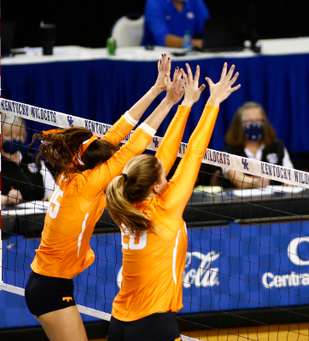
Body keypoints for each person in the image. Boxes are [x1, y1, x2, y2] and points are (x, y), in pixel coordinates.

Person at [23, 54, 187, 341]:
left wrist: (156, 88)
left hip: (44, 283)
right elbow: (133, 145)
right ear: (90, 161)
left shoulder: (71, 172)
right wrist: (169, 102)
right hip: (51, 289)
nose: (104, 145)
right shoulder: (87, 185)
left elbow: (118, 131)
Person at [104, 62, 240, 341]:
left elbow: (165, 154)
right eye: (165, 175)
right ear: (155, 187)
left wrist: (187, 103)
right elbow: (193, 153)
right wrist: (212, 103)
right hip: (152, 325)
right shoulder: (165, 209)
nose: (169, 174)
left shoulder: (125, 203)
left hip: (119, 323)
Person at [215, 101, 294, 189]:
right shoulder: (228, 151)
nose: (254, 125)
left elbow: (290, 175)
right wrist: (258, 182)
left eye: (257, 120)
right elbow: (238, 180)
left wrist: (290, 181)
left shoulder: (277, 146)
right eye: (249, 121)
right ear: (239, 125)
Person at [1, 114, 55, 206]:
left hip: (38, 215)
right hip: (10, 217)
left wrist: (51, 195)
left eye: (18, 135)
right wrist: (6, 199)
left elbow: (52, 189)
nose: (14, 139)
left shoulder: (33, 159)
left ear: (24, 136)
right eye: (8, 135)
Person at [141, 0, 209, 49]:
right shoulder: (154, 3)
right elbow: (163, 39)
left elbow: (207, 29)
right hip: (156, 58)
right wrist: (193, 43)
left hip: (187, 55)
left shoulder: (196, 2)